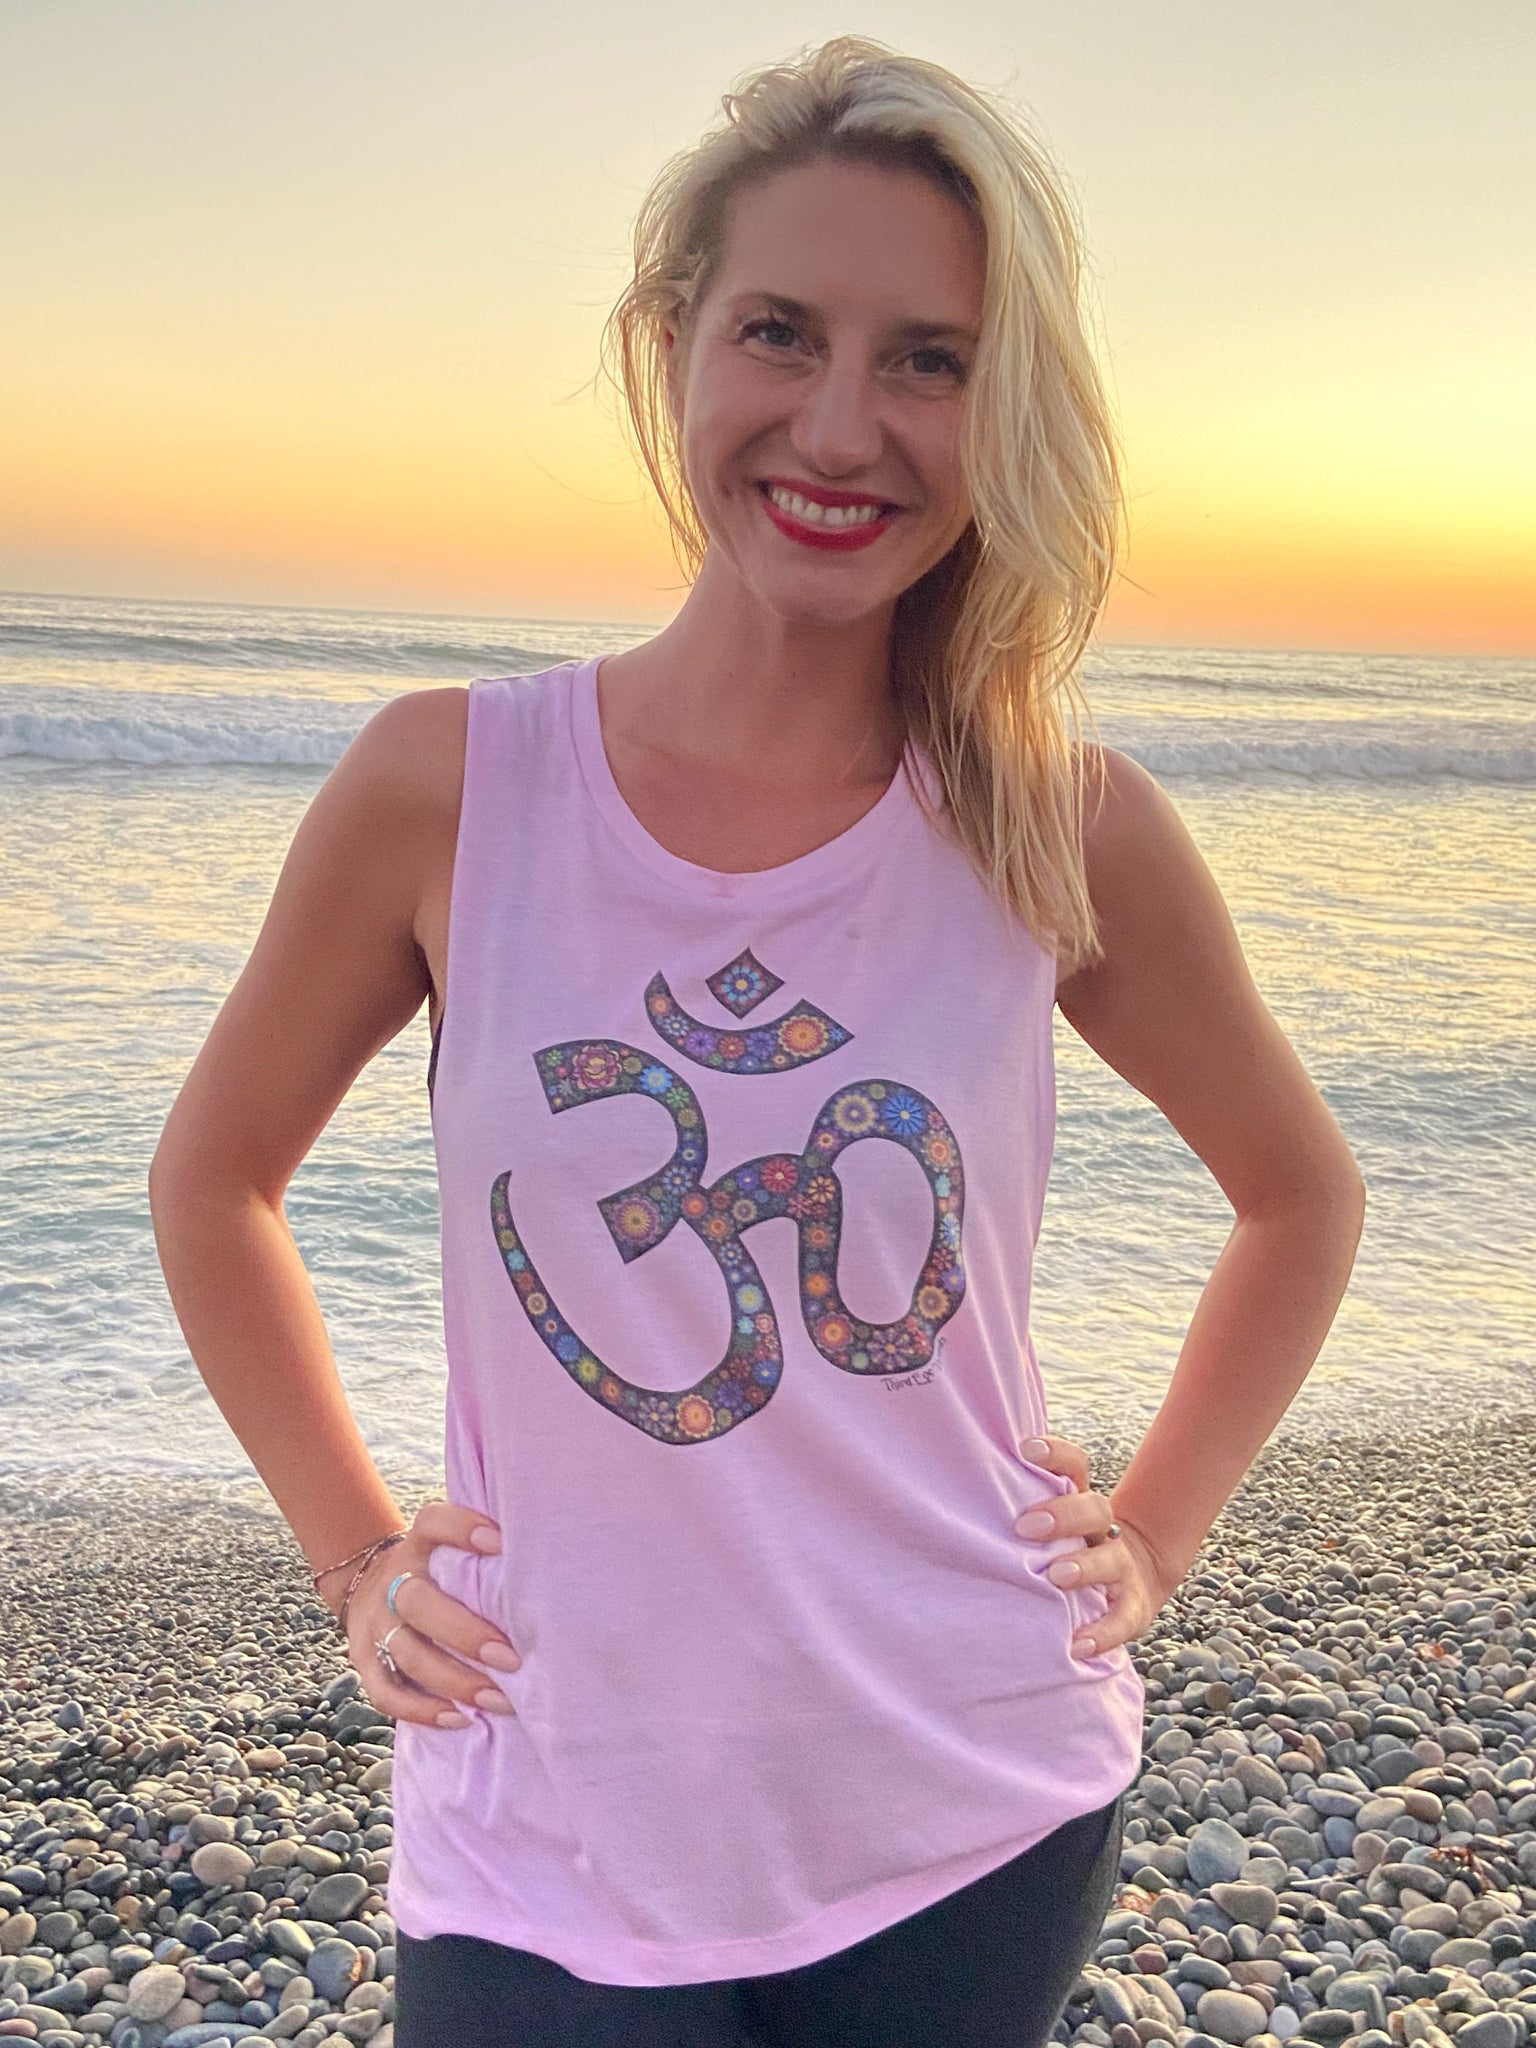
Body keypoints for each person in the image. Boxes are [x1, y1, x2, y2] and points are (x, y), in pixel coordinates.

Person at [148, 34, 1366, 2048]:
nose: (841, 425)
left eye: (929, 361)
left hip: (968, 1791)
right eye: (782, 332)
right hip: (544, 1806)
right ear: (674, 343)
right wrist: (356, 1560)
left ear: (1005, 408)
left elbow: (1301, 1195)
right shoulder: (449, 789)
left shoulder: (1057, 824)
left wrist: (1153, 1535)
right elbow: (215, 1180)